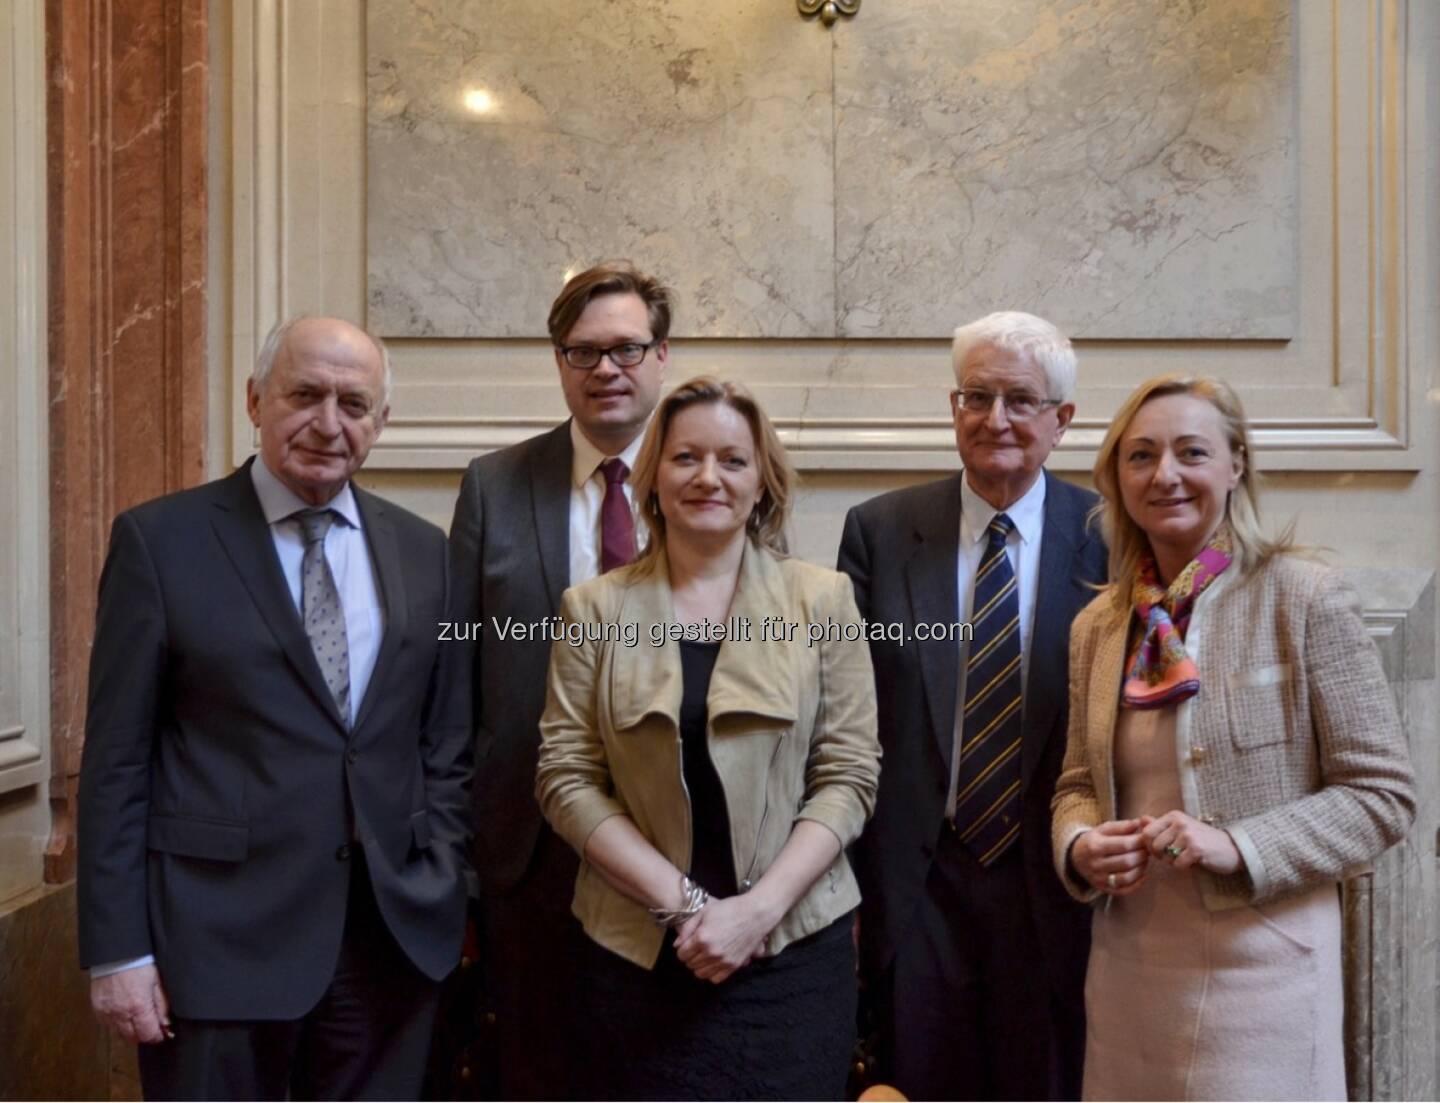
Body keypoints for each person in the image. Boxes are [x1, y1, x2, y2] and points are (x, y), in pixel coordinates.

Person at [77, 317, 470, 1099]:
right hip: (215, 943)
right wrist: (118, 953)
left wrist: (445, 878)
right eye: (305, 394)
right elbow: (117, 762)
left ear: (381, 424)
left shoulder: (430, 553)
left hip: (387, 942)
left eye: (355, 404)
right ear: (256, 400)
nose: (329, 424)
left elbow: (446, 745)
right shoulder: (160, 542)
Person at [1052, 373, 1416, 1100]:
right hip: (1127, 979)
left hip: (1267, 980)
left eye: (1191, 452)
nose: (1166, 475)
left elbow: (1383, 795)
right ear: (1116, 476)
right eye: (1142, 455)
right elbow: (1077, 786)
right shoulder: (1096, 627)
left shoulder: (1304, 596)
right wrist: (1079, 845)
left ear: (1236, 464)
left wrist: (1239, 843)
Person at [536, 376, 881, 1100]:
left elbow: (849, 775)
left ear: (762, 483)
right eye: (686, 457)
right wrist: (690, 909)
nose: (708, 477)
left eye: (732, 459)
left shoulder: (823, 600)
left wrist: (756, 912)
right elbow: (565, 778)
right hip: (636, 957)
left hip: (791, 954)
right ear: (654, 478)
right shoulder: (593, 608)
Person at [838, 311, 1104, 1100]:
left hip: (1055, 880)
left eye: (1020, 399)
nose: (996, 420)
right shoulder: (880, 531)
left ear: (1062, 421)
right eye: (976, 396)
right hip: (917, 883)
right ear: (952, 407)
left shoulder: (1108, 534)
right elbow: (840, 716)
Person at [447, 262, 670, 1098]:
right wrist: (465, 861)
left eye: (624, 348)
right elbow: (457, 683)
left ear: (661, 357)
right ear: (559, 364)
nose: (605, 369)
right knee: (537, 1072)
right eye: (582, 352)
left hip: (674, 842)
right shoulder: (494, 486)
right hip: (527, 854)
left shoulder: (715, 472)